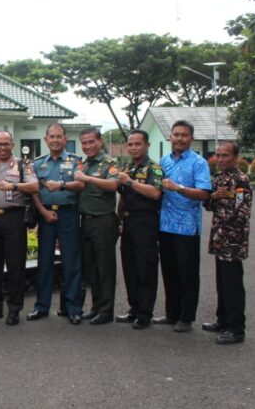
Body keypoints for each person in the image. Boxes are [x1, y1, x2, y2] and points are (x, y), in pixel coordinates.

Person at [0, 131, 38, 325]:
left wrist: (15, 187)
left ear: (12, 145)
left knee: (15, 267)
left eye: (6, 144)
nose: (2, 148)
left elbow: (35, 186)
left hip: (14, 219)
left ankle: (14, 309)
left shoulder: (23, 165)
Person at [155, 120, 211, 332]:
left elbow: (204, 193)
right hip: (165, 225)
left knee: (187, 273)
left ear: (191, 138)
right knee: (169, 271)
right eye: (175, 134)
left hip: (187, 228)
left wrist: (178, 187)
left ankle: (186, 317)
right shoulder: (164, 161)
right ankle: (172, 313)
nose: (179, 138)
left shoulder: (199, 163)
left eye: (184, 135)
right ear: (170, 136)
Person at [28, 123, 85, 324]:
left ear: (65, 138)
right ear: (45, 140)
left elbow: (81, 184)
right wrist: (43, 212)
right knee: (44, 263)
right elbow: (33, 189)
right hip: (46, 217)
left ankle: (73, 308)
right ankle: (41, 306)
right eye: (51, 137)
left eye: (58, 137)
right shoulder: (37, 164)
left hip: (68, 215)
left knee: (71, 263)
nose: (55, 140)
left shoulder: (76, 161)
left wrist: (61, 184)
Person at [203, 141, 251, 345]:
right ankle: (222, 320)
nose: (220, 159)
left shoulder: (240, 181)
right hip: (219, 239)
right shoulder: (219, 178)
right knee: (222, 283)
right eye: (218, 155)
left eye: (225, 155)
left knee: (232, 285)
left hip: (232, 241)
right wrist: (214, 196)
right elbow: (207, 204)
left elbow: (242, 212)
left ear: (236, 157)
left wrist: (228, 234)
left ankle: (236, 328)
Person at [115, 130, 163, 330]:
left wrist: (130, 182)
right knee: (130, 267)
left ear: (147, 145)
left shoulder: (154, 168)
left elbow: (155, 193)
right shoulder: (127, 167)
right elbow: (123, 198)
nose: (133, 147)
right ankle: (134, 308)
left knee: (146, 268)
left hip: (146, 223)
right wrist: (118, 221)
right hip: (128, 222)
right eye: (130, 144)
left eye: (138, 144)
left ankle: (145, 313)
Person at [74, 128, 120, 325]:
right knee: (91, 268)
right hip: (86, 221)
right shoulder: (82, 164)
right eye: (84, 143)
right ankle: (95, 307)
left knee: (105, 268)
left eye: (91, 142)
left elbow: (113, 185)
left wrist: (87, 179)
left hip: (104, 221)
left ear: (100, 142)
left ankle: (106, 311)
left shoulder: (110, 163)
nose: (87, 146)